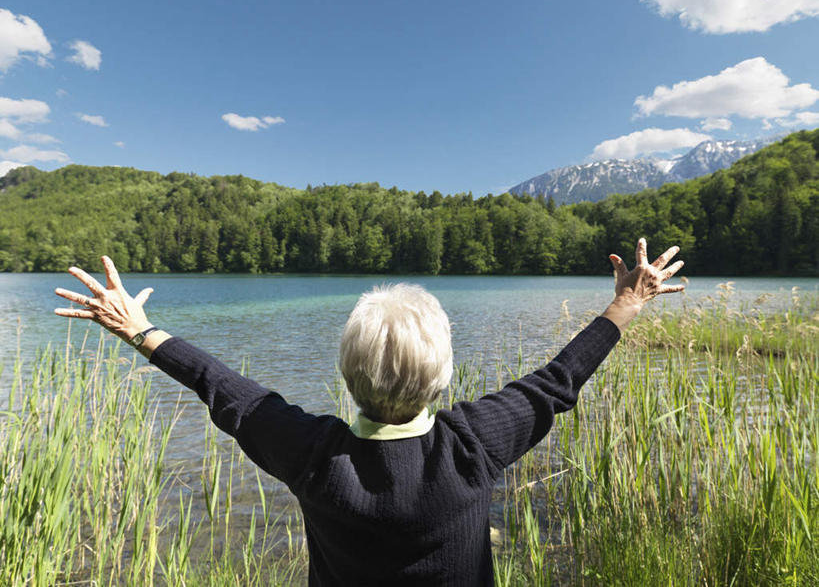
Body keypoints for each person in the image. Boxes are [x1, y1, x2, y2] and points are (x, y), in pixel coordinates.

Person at [54, 238, 684, 586]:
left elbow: (221, 387)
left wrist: (140, 331)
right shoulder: (473, 444)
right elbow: (558, 382)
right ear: (442, 380)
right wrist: (626, 304)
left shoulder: (312, 452)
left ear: (346, 376)